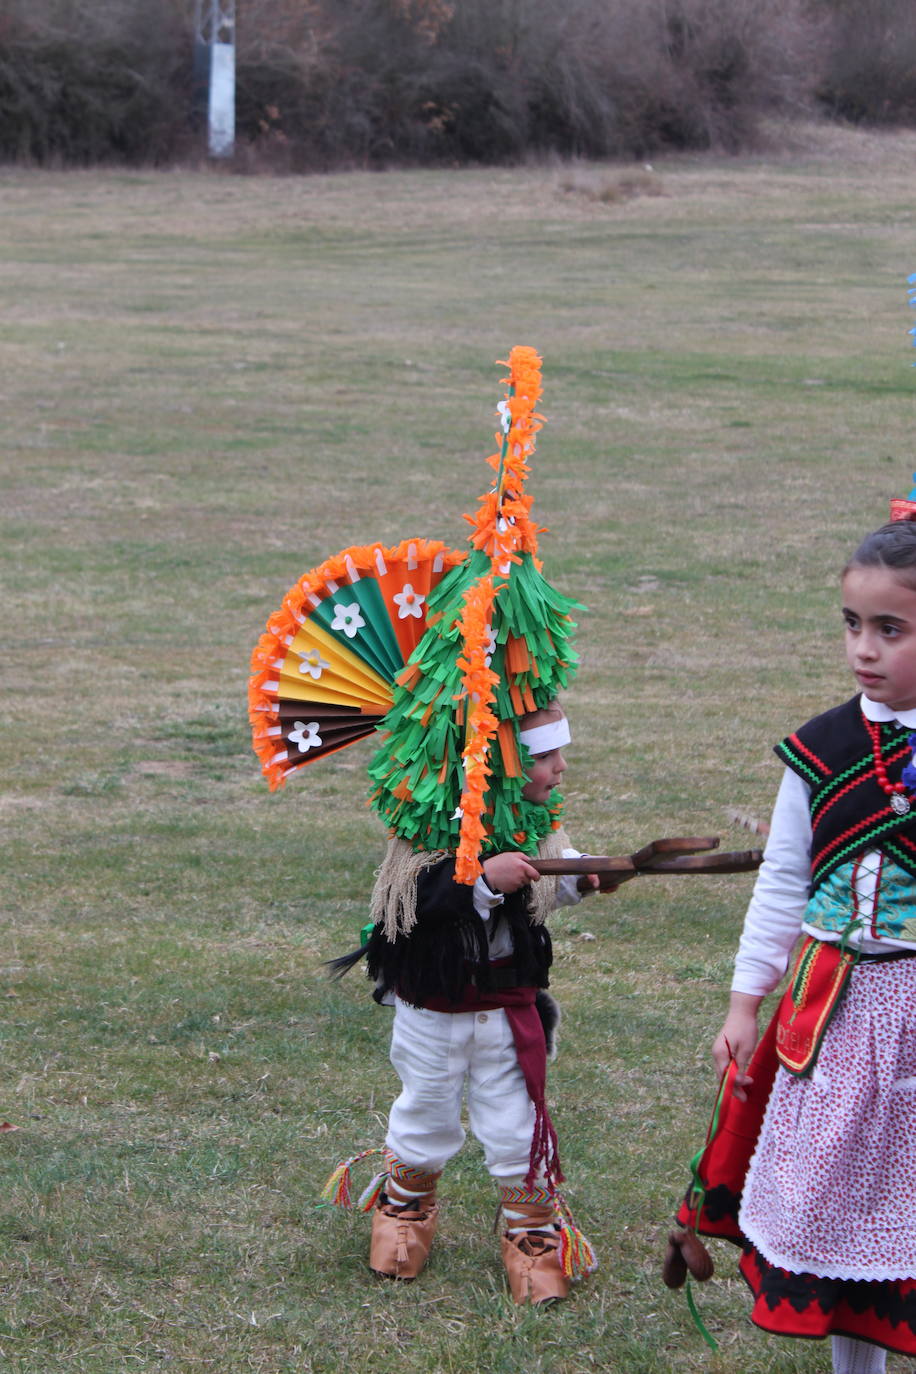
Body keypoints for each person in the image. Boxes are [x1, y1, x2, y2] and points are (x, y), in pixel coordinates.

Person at [317, 347, 603, 1303]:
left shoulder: (536, 819)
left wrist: (576, 874)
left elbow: (550, 883)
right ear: (492, 750)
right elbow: (420, 907)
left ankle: (530, 1231)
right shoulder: (424, 843)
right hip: (437, 1012)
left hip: (509, 1008)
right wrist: (485, 878)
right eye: (546, 753)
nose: (559, 768)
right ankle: (404, 1204)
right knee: (429, 1112)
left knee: (520, 1119)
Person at [683, 513, 916, 1371]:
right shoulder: (819, 753)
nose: (865, 648)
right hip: (839, 1015)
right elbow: (783, 883)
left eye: (891, 629)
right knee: (838, 1209)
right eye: (854, 625)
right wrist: (745, 1003)